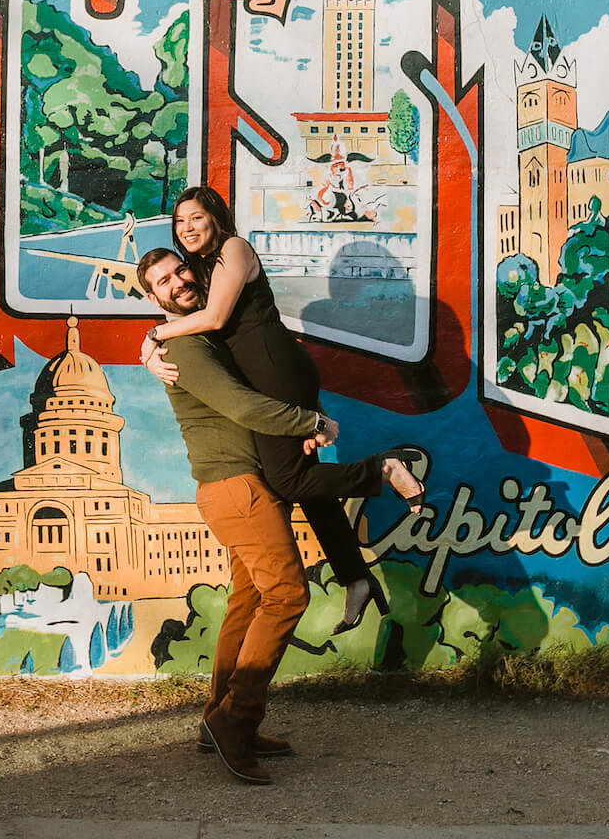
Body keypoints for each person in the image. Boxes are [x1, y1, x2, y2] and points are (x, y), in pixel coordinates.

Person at [140, 186, 424, 634]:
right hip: (266, 375)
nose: (187, 228)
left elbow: (214, 319)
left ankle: (384, 469)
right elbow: (189, 314)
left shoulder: (234, 249)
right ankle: (355, 577)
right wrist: (152, 345)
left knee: (286, 480)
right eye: (180, 221)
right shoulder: (200, 269)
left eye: (196, 217)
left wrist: (154, 336)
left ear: (215, 217)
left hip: (274, 368)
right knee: (306, 483)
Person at [134, 245, 337, 786]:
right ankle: (236, 719)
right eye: (162, 282)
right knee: (287, 595)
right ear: (153, 298)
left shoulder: (201, 335)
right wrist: (311, 422)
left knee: (248, 601)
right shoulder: (187, 347)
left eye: (180, 270)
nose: (177, 282)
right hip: (236, 488)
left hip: (238, 486)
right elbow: (245, 407)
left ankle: (217, 721)